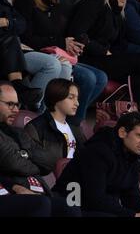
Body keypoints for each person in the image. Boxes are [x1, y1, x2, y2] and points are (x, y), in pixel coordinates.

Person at [13, 0, 108, 123]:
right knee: (83, 76)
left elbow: (63, 35)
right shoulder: (24, 1)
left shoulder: (55, 5)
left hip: (53, 54)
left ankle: (65, 121)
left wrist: (76, 43)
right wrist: (62, 43)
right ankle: (37, 111)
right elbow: (25, 37)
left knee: (100, 77)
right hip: (26, 51)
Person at [53, 111, 140, 217]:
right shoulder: (97, 152)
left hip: (98, 210)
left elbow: (131, 196)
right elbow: (94, 199)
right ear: (122, 132)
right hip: (71, 209)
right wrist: (135, 215)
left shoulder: (132, 157)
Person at [0, 81, 81, 217]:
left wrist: (23, 155)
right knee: (42, 203)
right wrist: (27, 157)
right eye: (10, 104)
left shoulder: (17, 132)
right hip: (10, 192)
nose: (16, 110)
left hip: (33, 187)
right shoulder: (37, 126)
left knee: (70, 206)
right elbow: (13, 162)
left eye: (17, 104)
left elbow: (48, 162)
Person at [24, 79, 86, 175]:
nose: (77, 103)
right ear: (56, 98)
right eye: (71, 97)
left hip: (77, 180)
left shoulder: (75, 128)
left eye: (77, 98)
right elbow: (33, 164)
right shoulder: (35, 128)